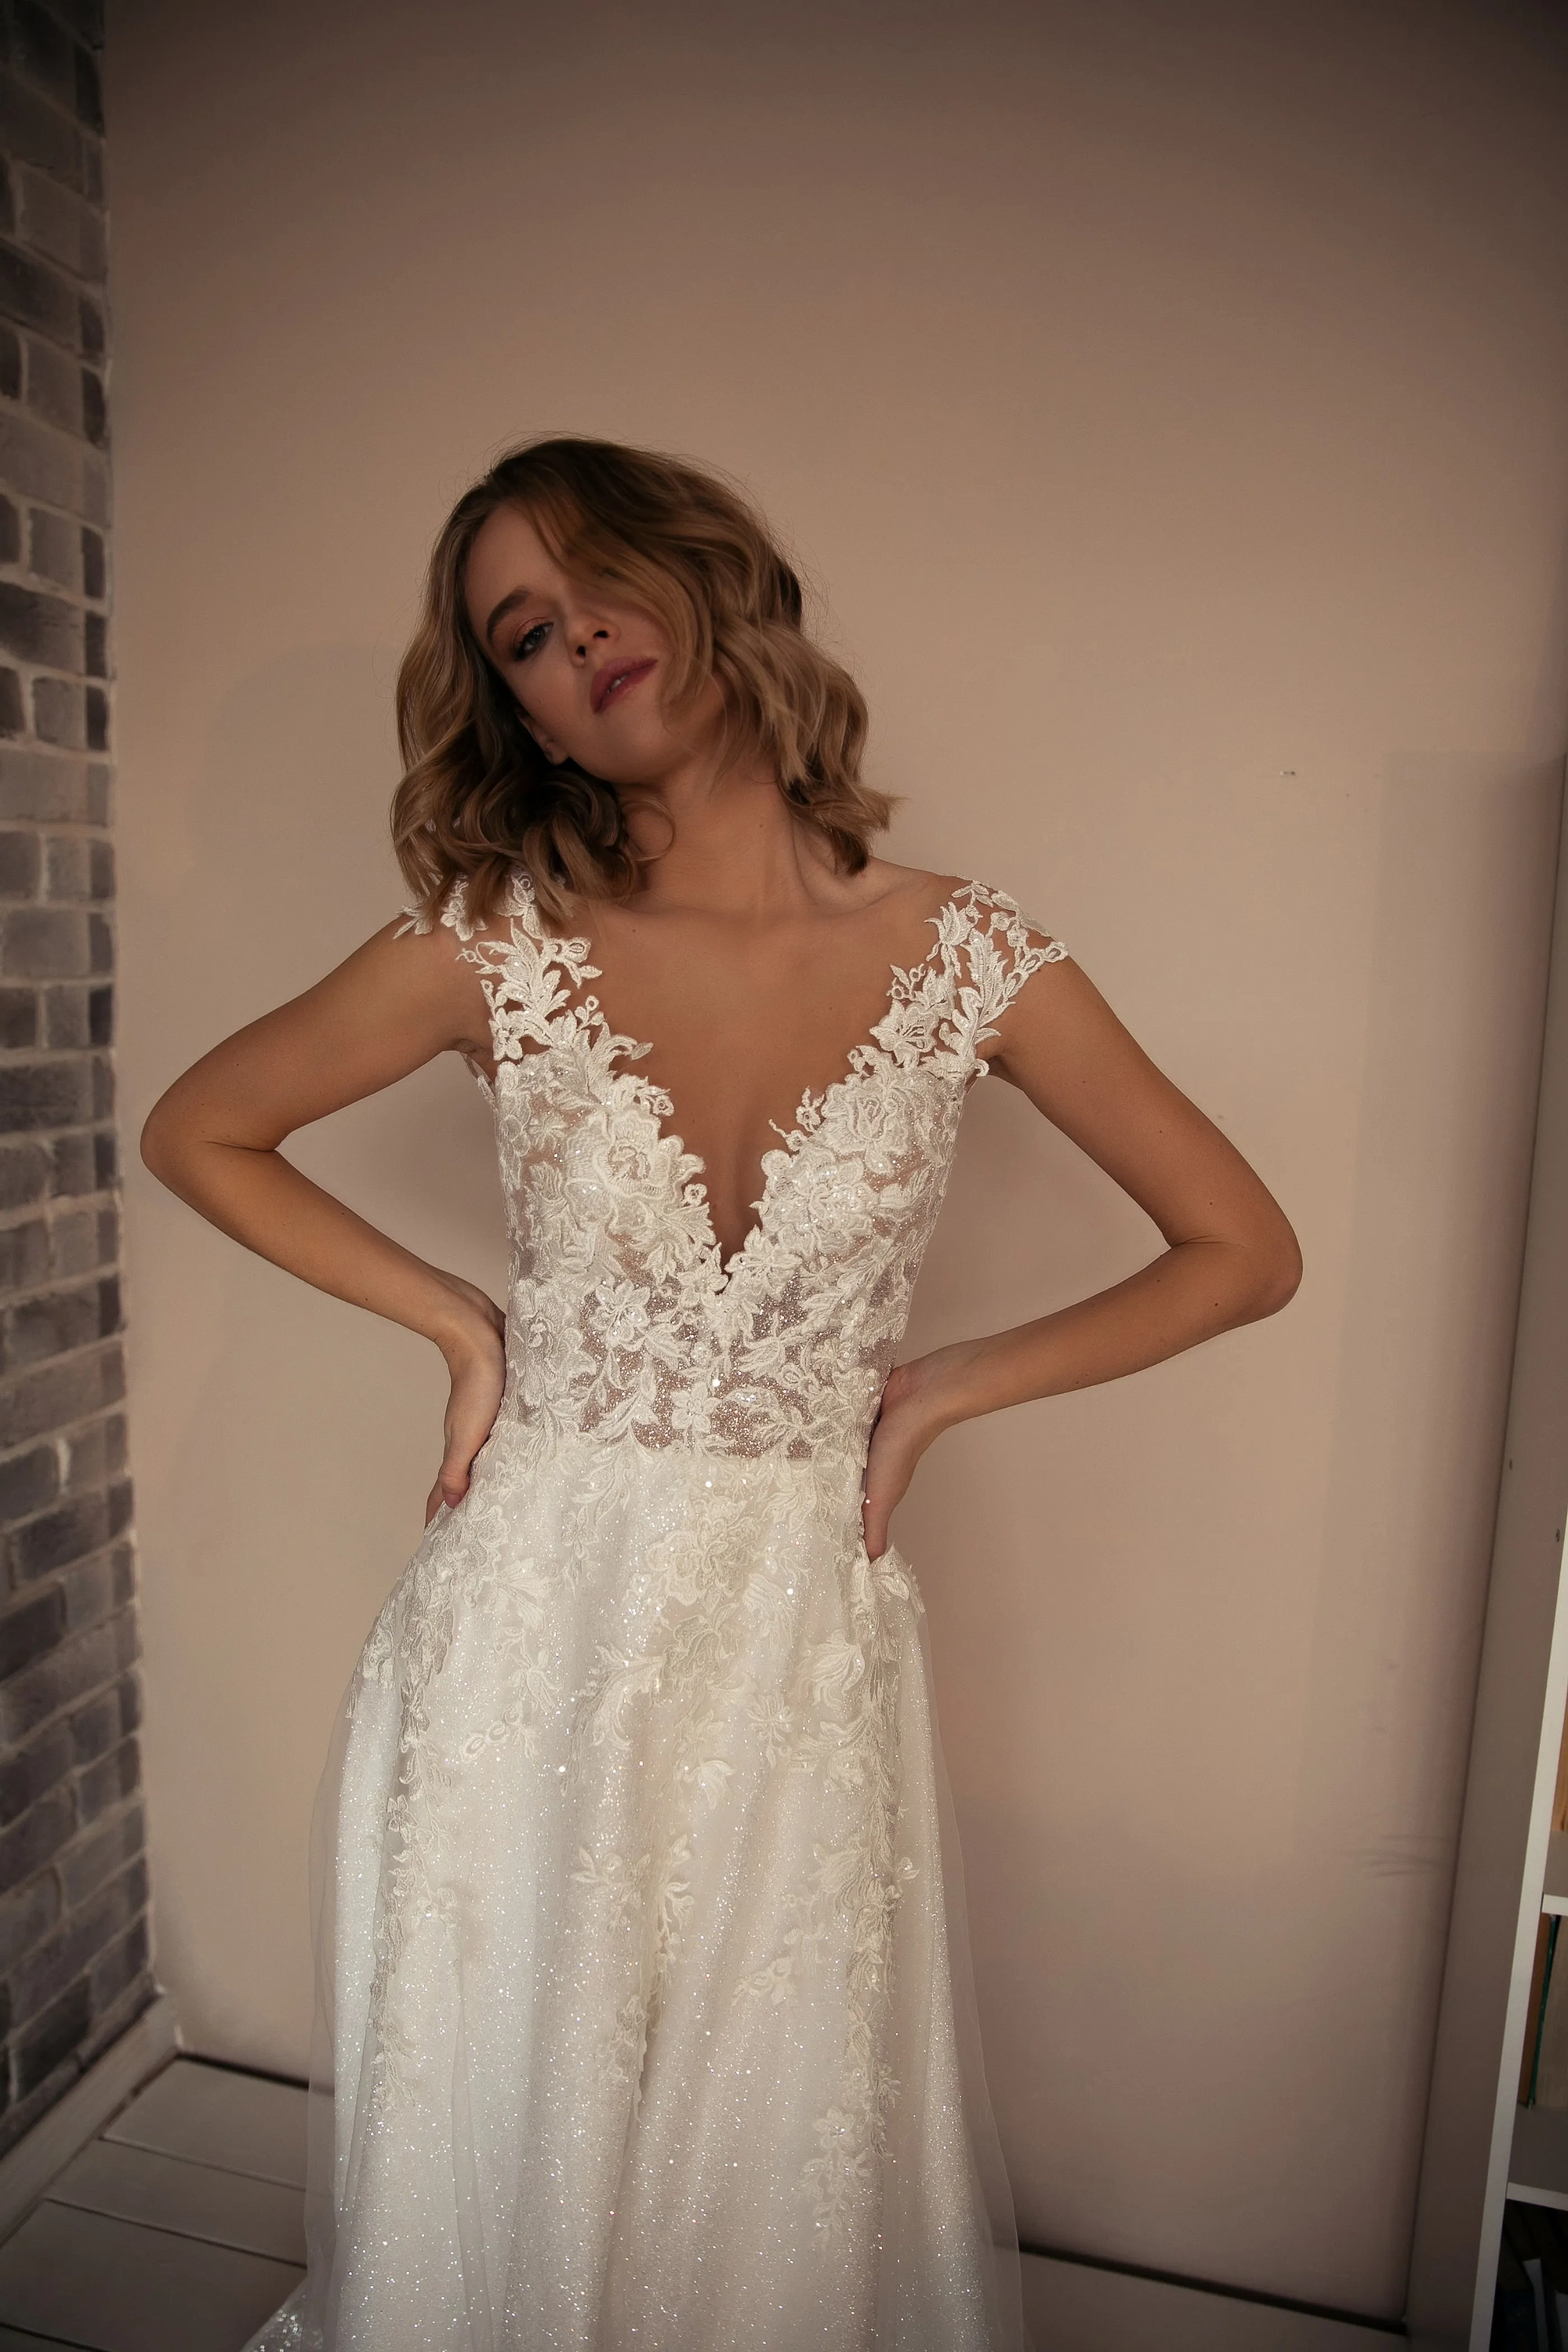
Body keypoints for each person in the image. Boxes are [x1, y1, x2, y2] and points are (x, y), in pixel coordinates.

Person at [141, 436, 1301, 2351]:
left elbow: (1242, 1250)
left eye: (597, 578)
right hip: (532, 1616)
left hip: (792, 1625)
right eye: (522, 633)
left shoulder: (969, 955)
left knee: (767, 2130)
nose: (574, 637)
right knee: (510, 2107)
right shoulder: (492, 945)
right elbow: (202, 1128)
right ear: (519, 713)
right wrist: (459, 1325)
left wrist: (938, 1389)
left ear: (711, 580)